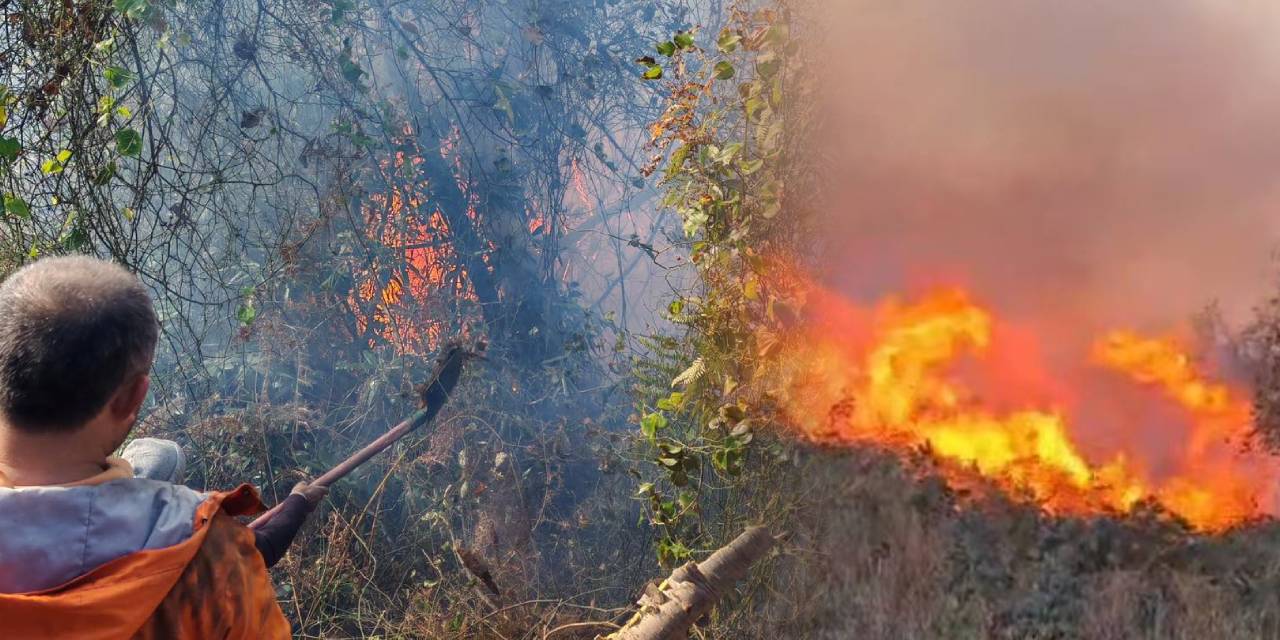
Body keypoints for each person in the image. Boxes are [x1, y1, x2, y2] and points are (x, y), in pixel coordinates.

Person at [0, 255, 324, 639]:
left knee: (159, 458)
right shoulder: (209, 557)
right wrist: (294, 506)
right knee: (162, 457)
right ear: (133, 398)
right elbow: (232, 573)